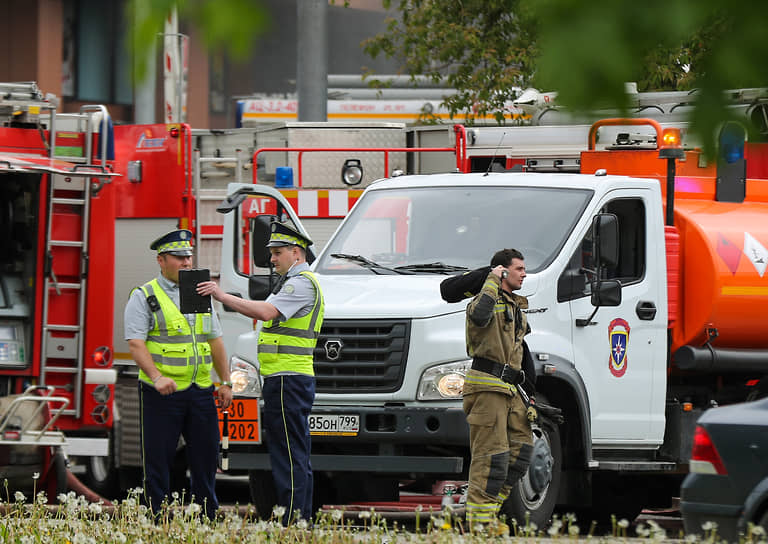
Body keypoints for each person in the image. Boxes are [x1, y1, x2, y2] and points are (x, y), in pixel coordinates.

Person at [197, 221, 324, 525]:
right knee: (294, 452)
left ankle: (292, 519)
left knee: (287, 454)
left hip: (287, 379)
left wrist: (222, 296)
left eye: (277, 252)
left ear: (296, 252)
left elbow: (266, 313)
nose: (271, 259)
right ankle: (299, 516)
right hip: (287, 379)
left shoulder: (300, 283)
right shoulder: (296, 282)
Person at [124, 229, 232, 520]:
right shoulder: (144, 296)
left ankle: (205, 517)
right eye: (178, 257)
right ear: (161, 260)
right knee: (158, 459)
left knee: (207, 456)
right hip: (162, 392)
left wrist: (225, 381)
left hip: (199, 389)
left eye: (188, 256)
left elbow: (215, 340)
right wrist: (156, 376)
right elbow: (135, 343)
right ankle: (156, 517)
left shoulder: (199, 292)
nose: (186, 262)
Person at [463, 248, 534, 534]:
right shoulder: (484, 299)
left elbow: (521, 352)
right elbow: (480, 316)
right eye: (518, 269)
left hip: (511, 389)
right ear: (502, 271)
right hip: (487, 388)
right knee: (491, 458)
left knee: (521, 452)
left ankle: (488, 512)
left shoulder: (515, 305)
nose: (524, 273)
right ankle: (480, 524)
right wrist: (491, 280)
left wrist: (530, 395)